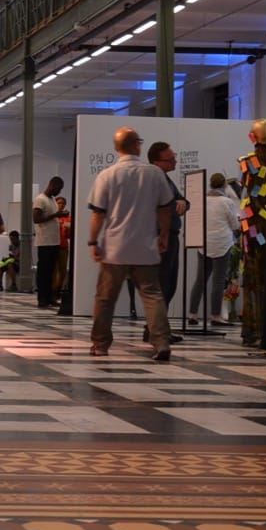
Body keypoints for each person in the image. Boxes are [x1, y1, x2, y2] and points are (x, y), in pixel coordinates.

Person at [87, 127, 174, 360]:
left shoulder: (107, 175)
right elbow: (165, 209)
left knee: (105, 299)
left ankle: (100, 344)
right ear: (137, 145)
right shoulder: (154, 174)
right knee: (152, 295)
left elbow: (98, 214)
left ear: (116, 148)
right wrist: (164, 234)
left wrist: (93, 241)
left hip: (115, 249)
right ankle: (161, 342)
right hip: (145, 247)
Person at [145, 141, 188, 343]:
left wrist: (182, 203)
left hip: (171, 235)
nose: (174, 162)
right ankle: (157, 331)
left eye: (174, 158)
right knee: (162, 285)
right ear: (157, 162)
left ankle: (155, 328)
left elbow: (182, 200)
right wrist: (176, 204)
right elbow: (159, 206)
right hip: (161, 235)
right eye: (170, 160)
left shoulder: (166, 179)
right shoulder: (153, 180)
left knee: (169, 284)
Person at [189, 172, 240, 325]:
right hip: (222, 244)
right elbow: (235, 224)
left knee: (200, 280)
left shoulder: (202, 201)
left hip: (203, 243)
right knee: (218, 281)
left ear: (210, 184)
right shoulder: (227, 202)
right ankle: (215, 316)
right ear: (224, 184)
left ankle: (192, 314)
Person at [238, 118, 266, 348]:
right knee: (265, 274)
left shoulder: (249, 161)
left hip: (253, 226)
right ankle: (265, 325)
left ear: (253, 136)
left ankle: (253, 328)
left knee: (253, 275)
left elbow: (249, 191)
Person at [32, 176, 64, 308]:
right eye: (59, 189)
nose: (59, 192)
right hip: (44, 242)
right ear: (52, 185)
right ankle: (42, 298)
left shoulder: (52, 200)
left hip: (54, 241)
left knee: (51, 271)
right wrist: (55, 215)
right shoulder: (40, 199)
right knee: (43, 272)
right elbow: (36, 219)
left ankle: (50, 297)